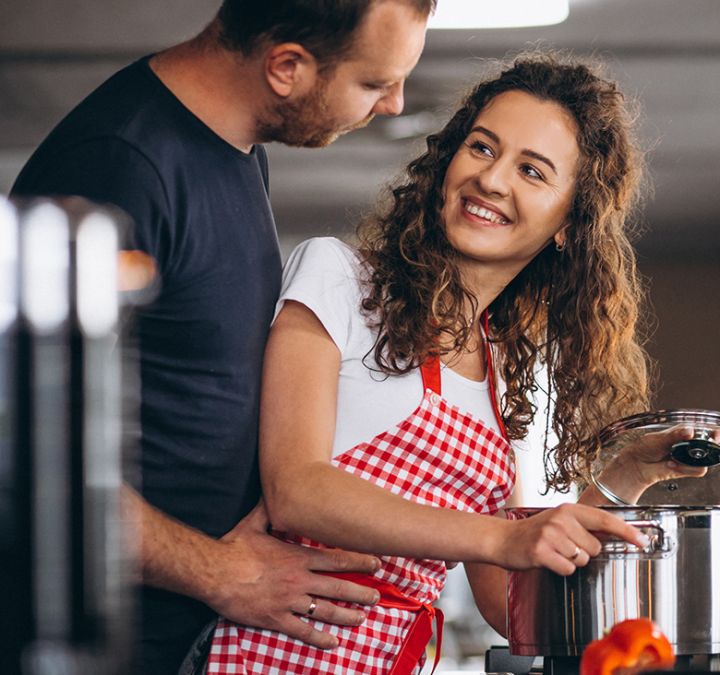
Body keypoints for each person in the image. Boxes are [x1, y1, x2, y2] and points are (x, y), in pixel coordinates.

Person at [204, 52, 720, 674]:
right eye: (482, 148)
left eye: (532, 171)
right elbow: (297, 490)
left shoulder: (502, 370)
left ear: (569, 224)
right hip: (275, 655)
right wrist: (504, 536)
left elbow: (512, 608)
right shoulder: (339, 279)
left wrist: (623, 478)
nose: (493, 179)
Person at [9, 1, 434, 672]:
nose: (393, 104)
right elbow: (24, 452)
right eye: (375, 82)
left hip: (187, 639)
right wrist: (221, 573)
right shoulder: (119, 164)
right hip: (103, 643)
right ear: (286, 67)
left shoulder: (238, 153)